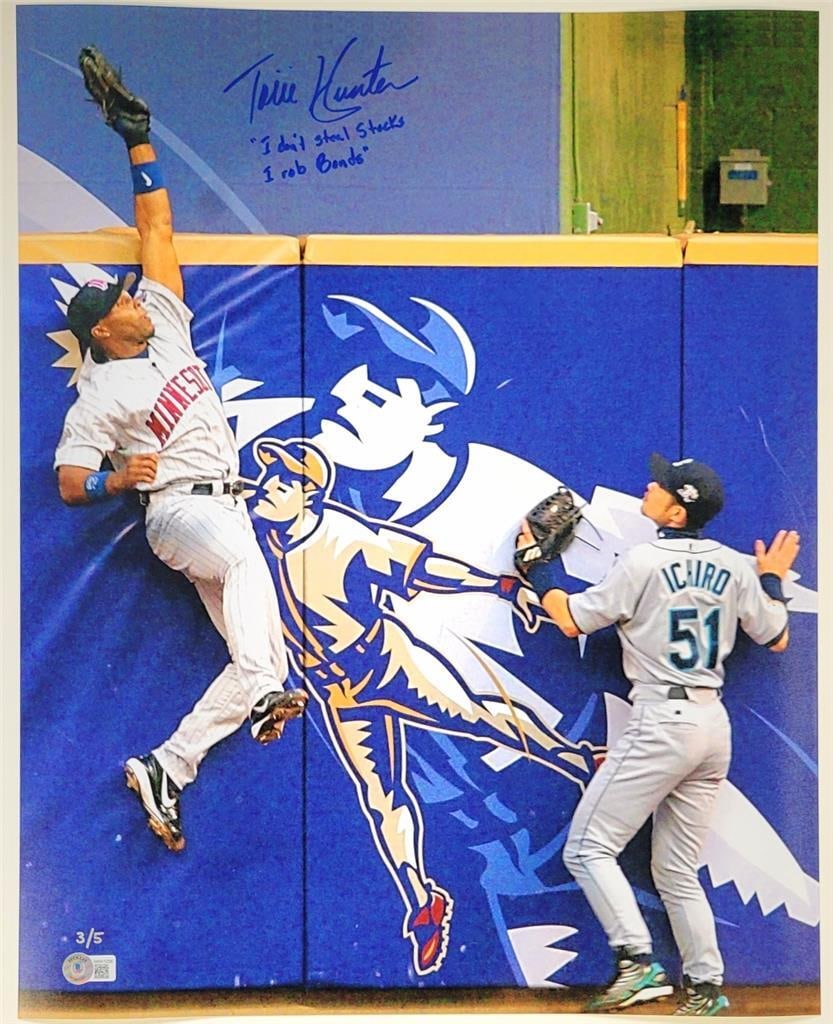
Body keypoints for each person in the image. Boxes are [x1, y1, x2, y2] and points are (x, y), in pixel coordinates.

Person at [54, 48, 308, 854]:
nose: (135, 295)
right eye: (122, 300)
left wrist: (136, 137)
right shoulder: (100, 391)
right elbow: (66, 481)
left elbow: (155, 225)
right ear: (103, 330)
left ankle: (168, 765)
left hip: (220, 506)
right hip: (180, 514)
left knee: (249, 655)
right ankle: (269, 693)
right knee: (243, 582)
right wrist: (111, 477)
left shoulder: (164, 321)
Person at [246, 436, 603, 974]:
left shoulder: (344, 535)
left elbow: (429, 569)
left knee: (481, 719)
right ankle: (423, 901)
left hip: (387, 661)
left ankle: (577, 761)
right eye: (268, 477)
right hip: (336, 690)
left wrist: (502, 586)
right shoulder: (252, 541)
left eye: (282, 481)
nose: (266, 487)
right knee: (380, 794)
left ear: (310, 495)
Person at [515, 453, 799, 1016]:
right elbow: (777, 635)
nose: (649, 483)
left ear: (675, 508)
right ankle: (703, 989)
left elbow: (572, 619)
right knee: (674, 869)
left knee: (588, 848)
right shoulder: (736, 566)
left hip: (661, 723)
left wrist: (538, 569)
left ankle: (636, 963)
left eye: (661, 484)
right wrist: (769, 578)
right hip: (711, 727)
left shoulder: (642, 561)